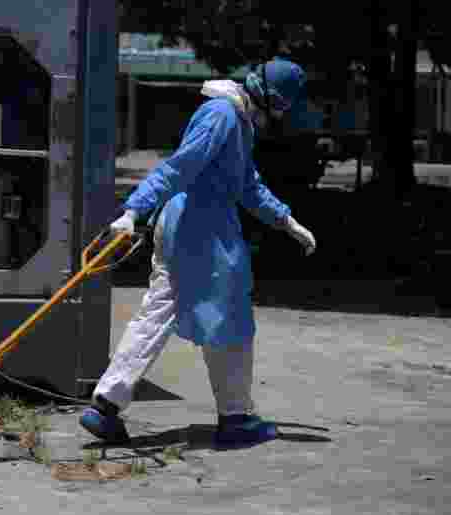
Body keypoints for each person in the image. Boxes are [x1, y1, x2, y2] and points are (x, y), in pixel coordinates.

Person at [80, 58, 318, 449]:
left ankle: (106, 405)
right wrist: (133, 210)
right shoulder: (223, 115)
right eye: (283, 108)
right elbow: (179, 167)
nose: (280, 116)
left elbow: (246, 183)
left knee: (158, 311)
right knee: (231, 322)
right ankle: (236, 417)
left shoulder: (235, 118)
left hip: (188, 227)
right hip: (202, 231)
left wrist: (286, 221)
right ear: (274, 100)